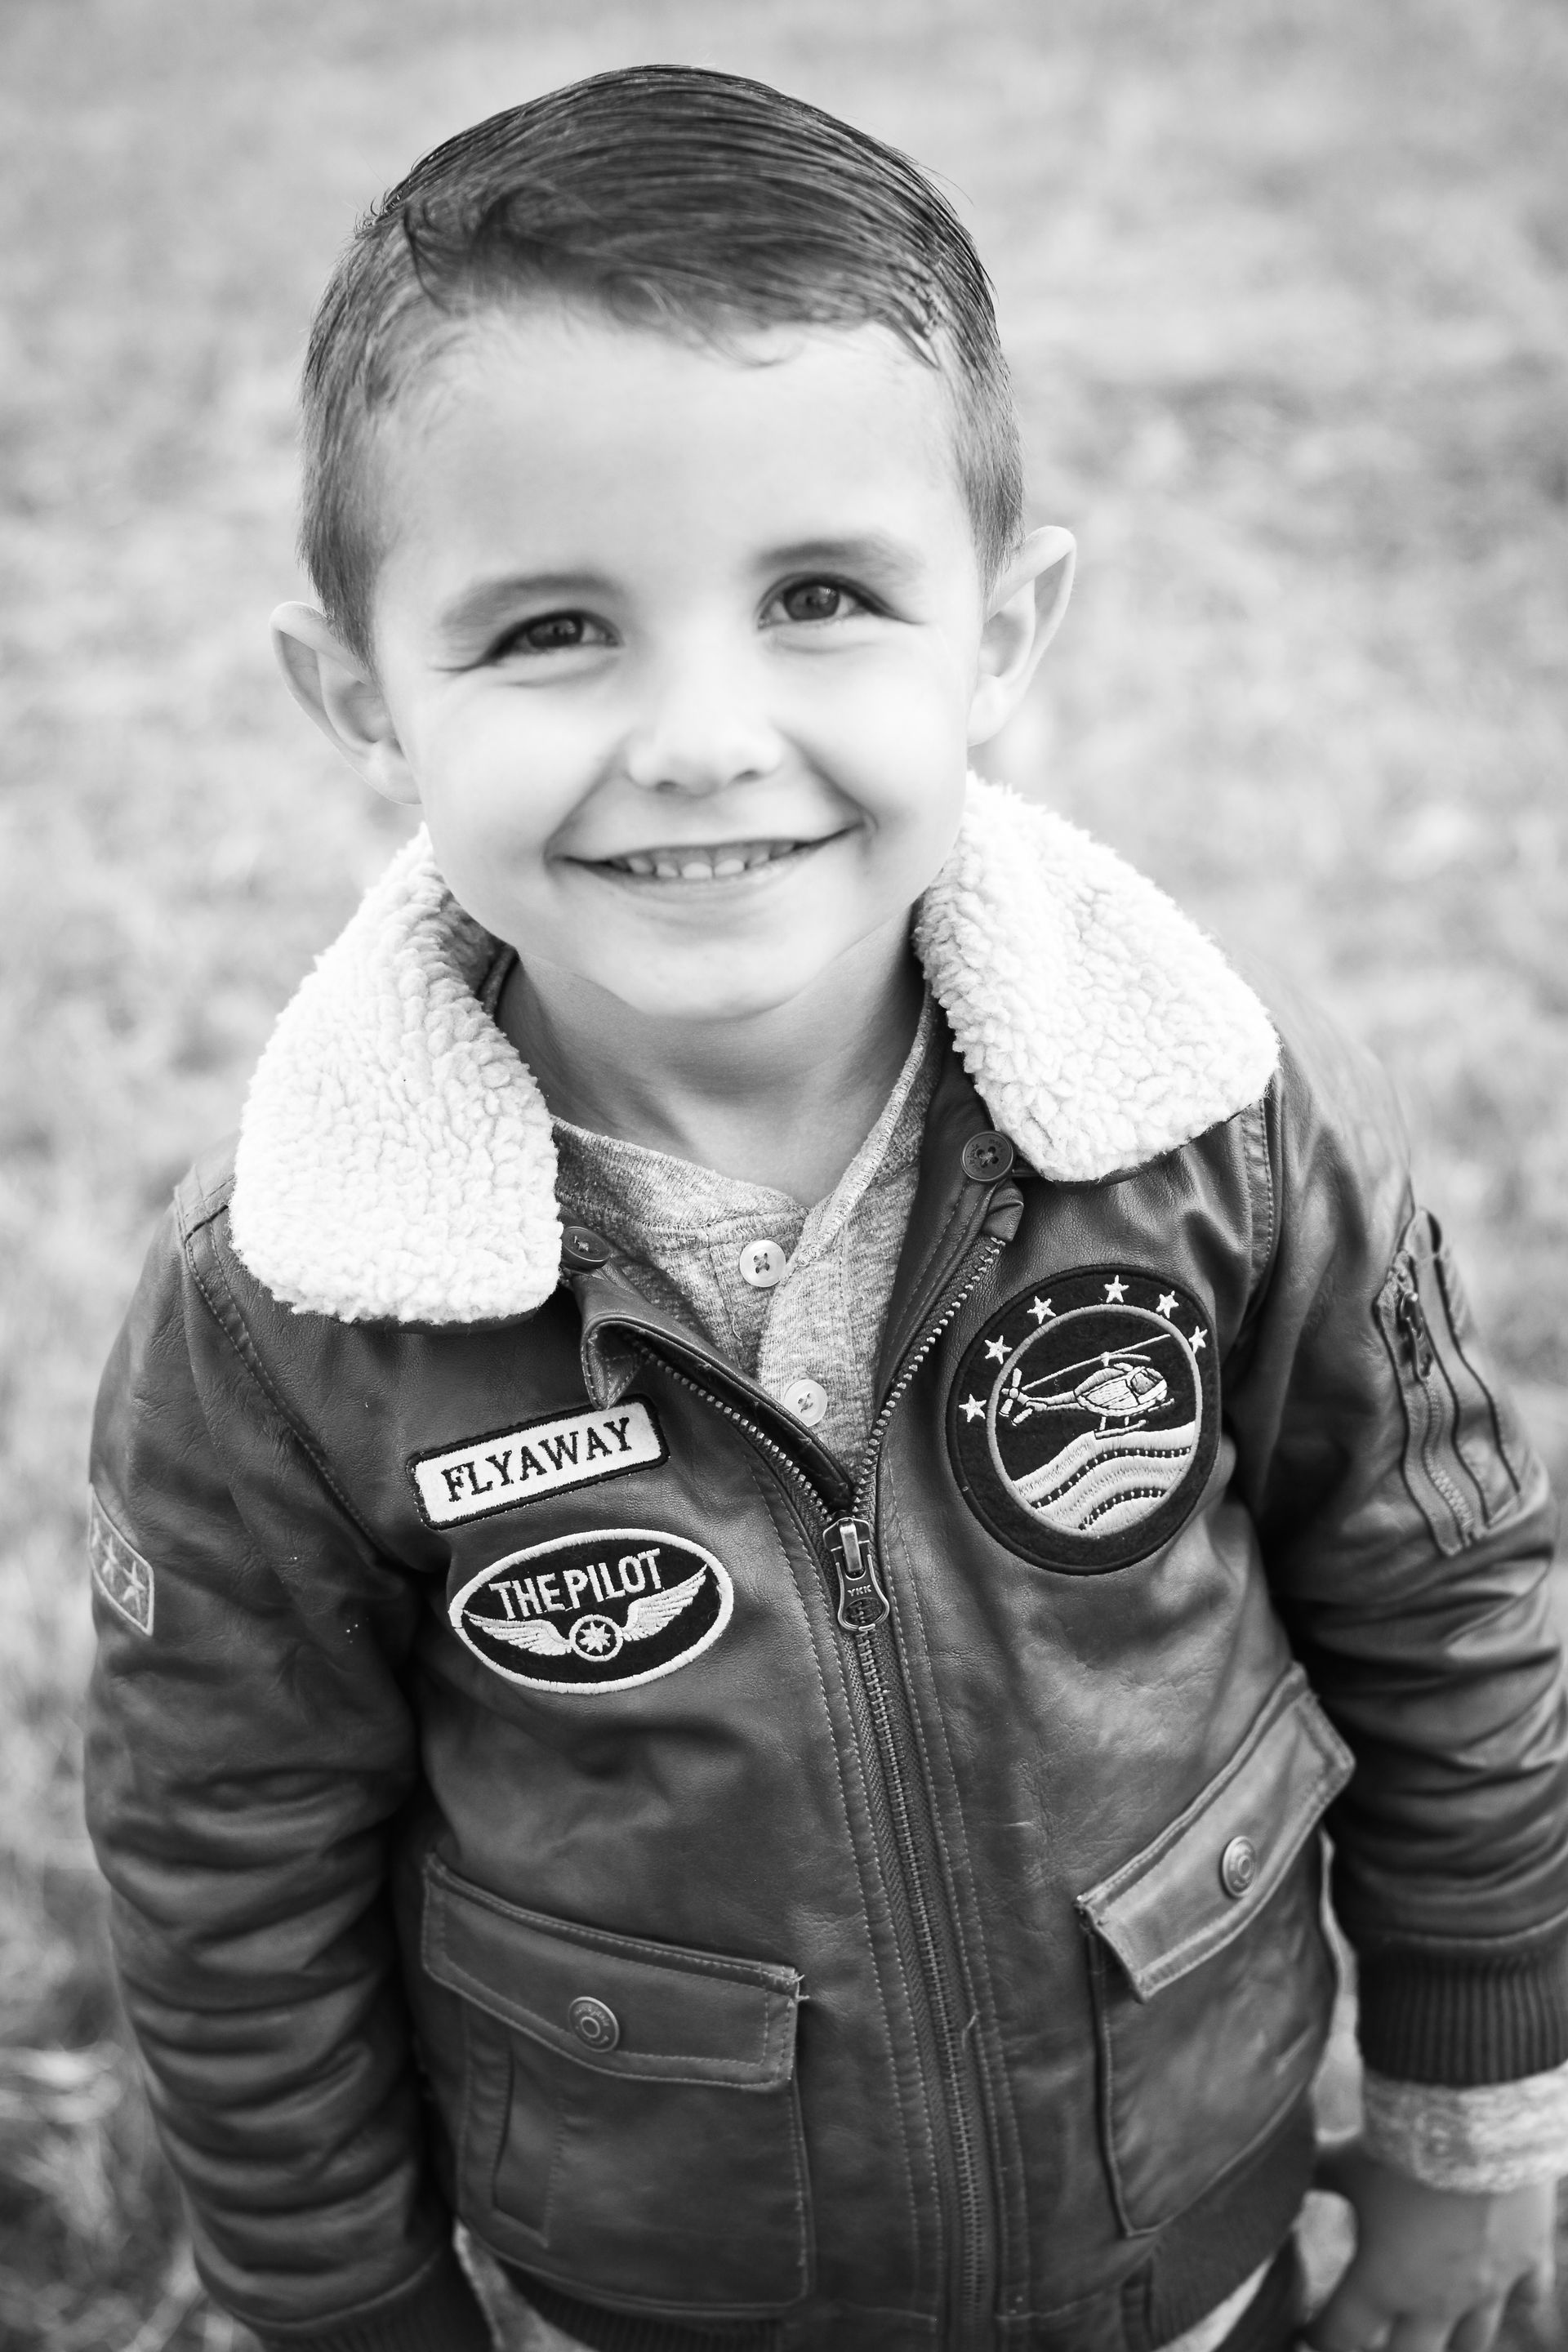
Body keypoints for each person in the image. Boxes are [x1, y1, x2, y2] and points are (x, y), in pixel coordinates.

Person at [84, 65, 1568, 2352]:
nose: (701, 731)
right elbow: (228, 1884)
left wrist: (1473, 2147)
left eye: (819, 597)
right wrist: (350, 2314)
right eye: (550, 631)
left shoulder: (1219, 1124)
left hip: (1192, 2252)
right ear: (361, 700)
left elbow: (1453, 1616)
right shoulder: (291, 1303)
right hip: (642, 2297)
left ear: (1001, 632)